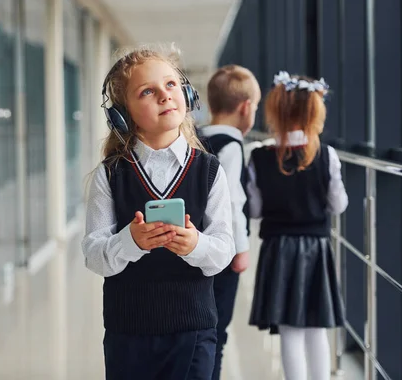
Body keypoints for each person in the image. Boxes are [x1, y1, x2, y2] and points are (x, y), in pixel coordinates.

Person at [81, 44, 235, 380]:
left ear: (187, 94)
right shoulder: (109, 175)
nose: (165, 96)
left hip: (194, 332)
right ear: (122, 115)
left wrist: (196, 244)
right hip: (128, 334)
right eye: (147, 91)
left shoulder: (209, 171)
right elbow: (93, 255)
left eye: (170, 85)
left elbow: (224, 250)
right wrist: (130, 241)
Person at [247, 71, 348, 380]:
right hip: (315, 248)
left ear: (275, 111)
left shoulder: (260, 157)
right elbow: (339, 205)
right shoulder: (326, 156)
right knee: (316, 329)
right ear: (316, 112)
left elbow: (254, 209)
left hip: (278, 249)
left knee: (289, 331)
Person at [198, 64, 261, 380]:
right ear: (246, 108)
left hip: (197, 245)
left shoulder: (195, 139)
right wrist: (242, 248)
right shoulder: (232, 145)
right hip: (222, 251)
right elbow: (234, 201)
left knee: (200, 328)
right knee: (216, 332)